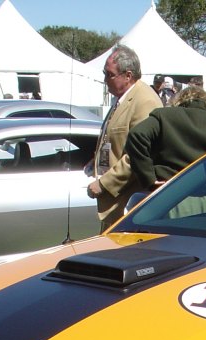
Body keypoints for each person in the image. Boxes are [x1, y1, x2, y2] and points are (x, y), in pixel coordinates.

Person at [86, 44, 162, 232]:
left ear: (128, 75)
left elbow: (138, 154)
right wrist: (94, 163)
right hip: (114, 203)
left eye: (109, 74)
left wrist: (104, 183)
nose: (105, 80)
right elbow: (114, 140)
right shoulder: (121, 98)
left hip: (128, 203)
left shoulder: (145, 101)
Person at [125, 86, 206, 189]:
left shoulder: (164, 116)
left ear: (179, 101)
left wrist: (149, 178)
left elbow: (137, 135)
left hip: (170, 194)